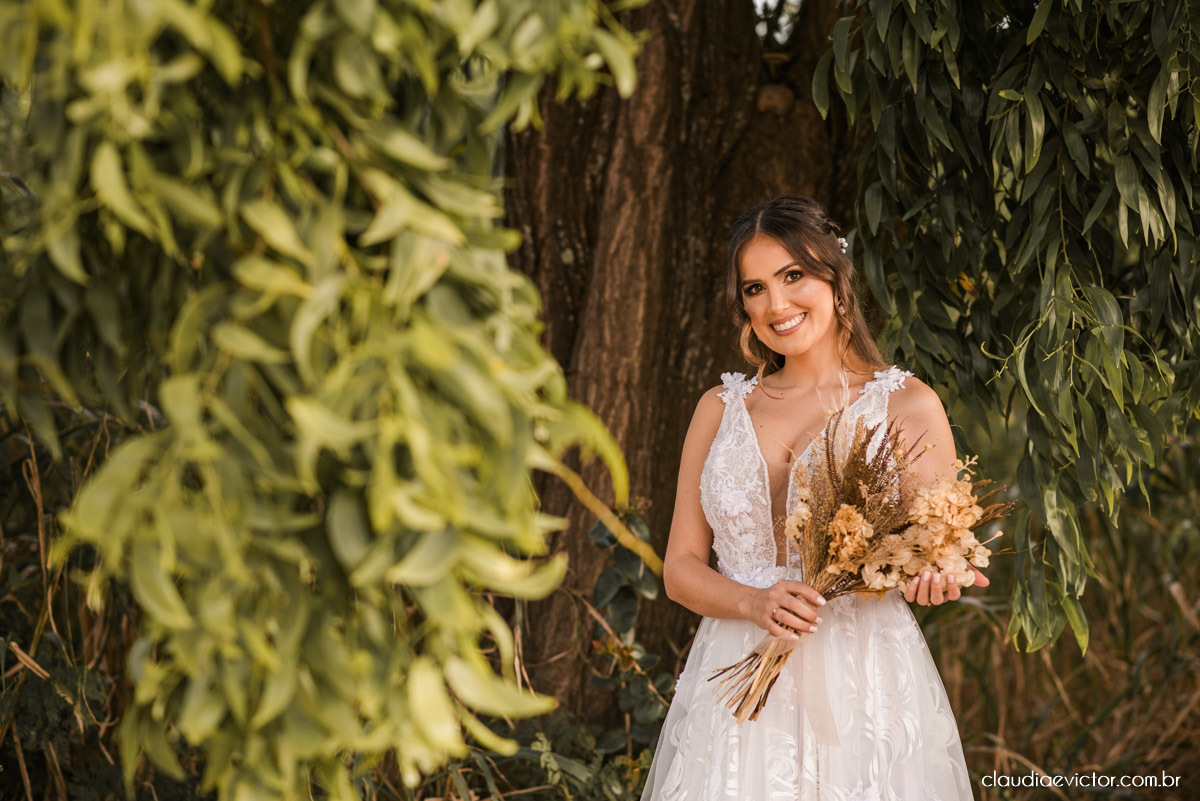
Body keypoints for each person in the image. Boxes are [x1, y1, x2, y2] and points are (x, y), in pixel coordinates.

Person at [639, 196, 980, 800]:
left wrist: (937, 575)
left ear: (835, 274)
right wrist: (751, 603)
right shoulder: (719, 410)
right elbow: (679, 569)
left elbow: (936, 553)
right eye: (754, 288)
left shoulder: (907, 406)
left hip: (865, 679)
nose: (776, 305)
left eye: (792, 276)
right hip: (735, 678)